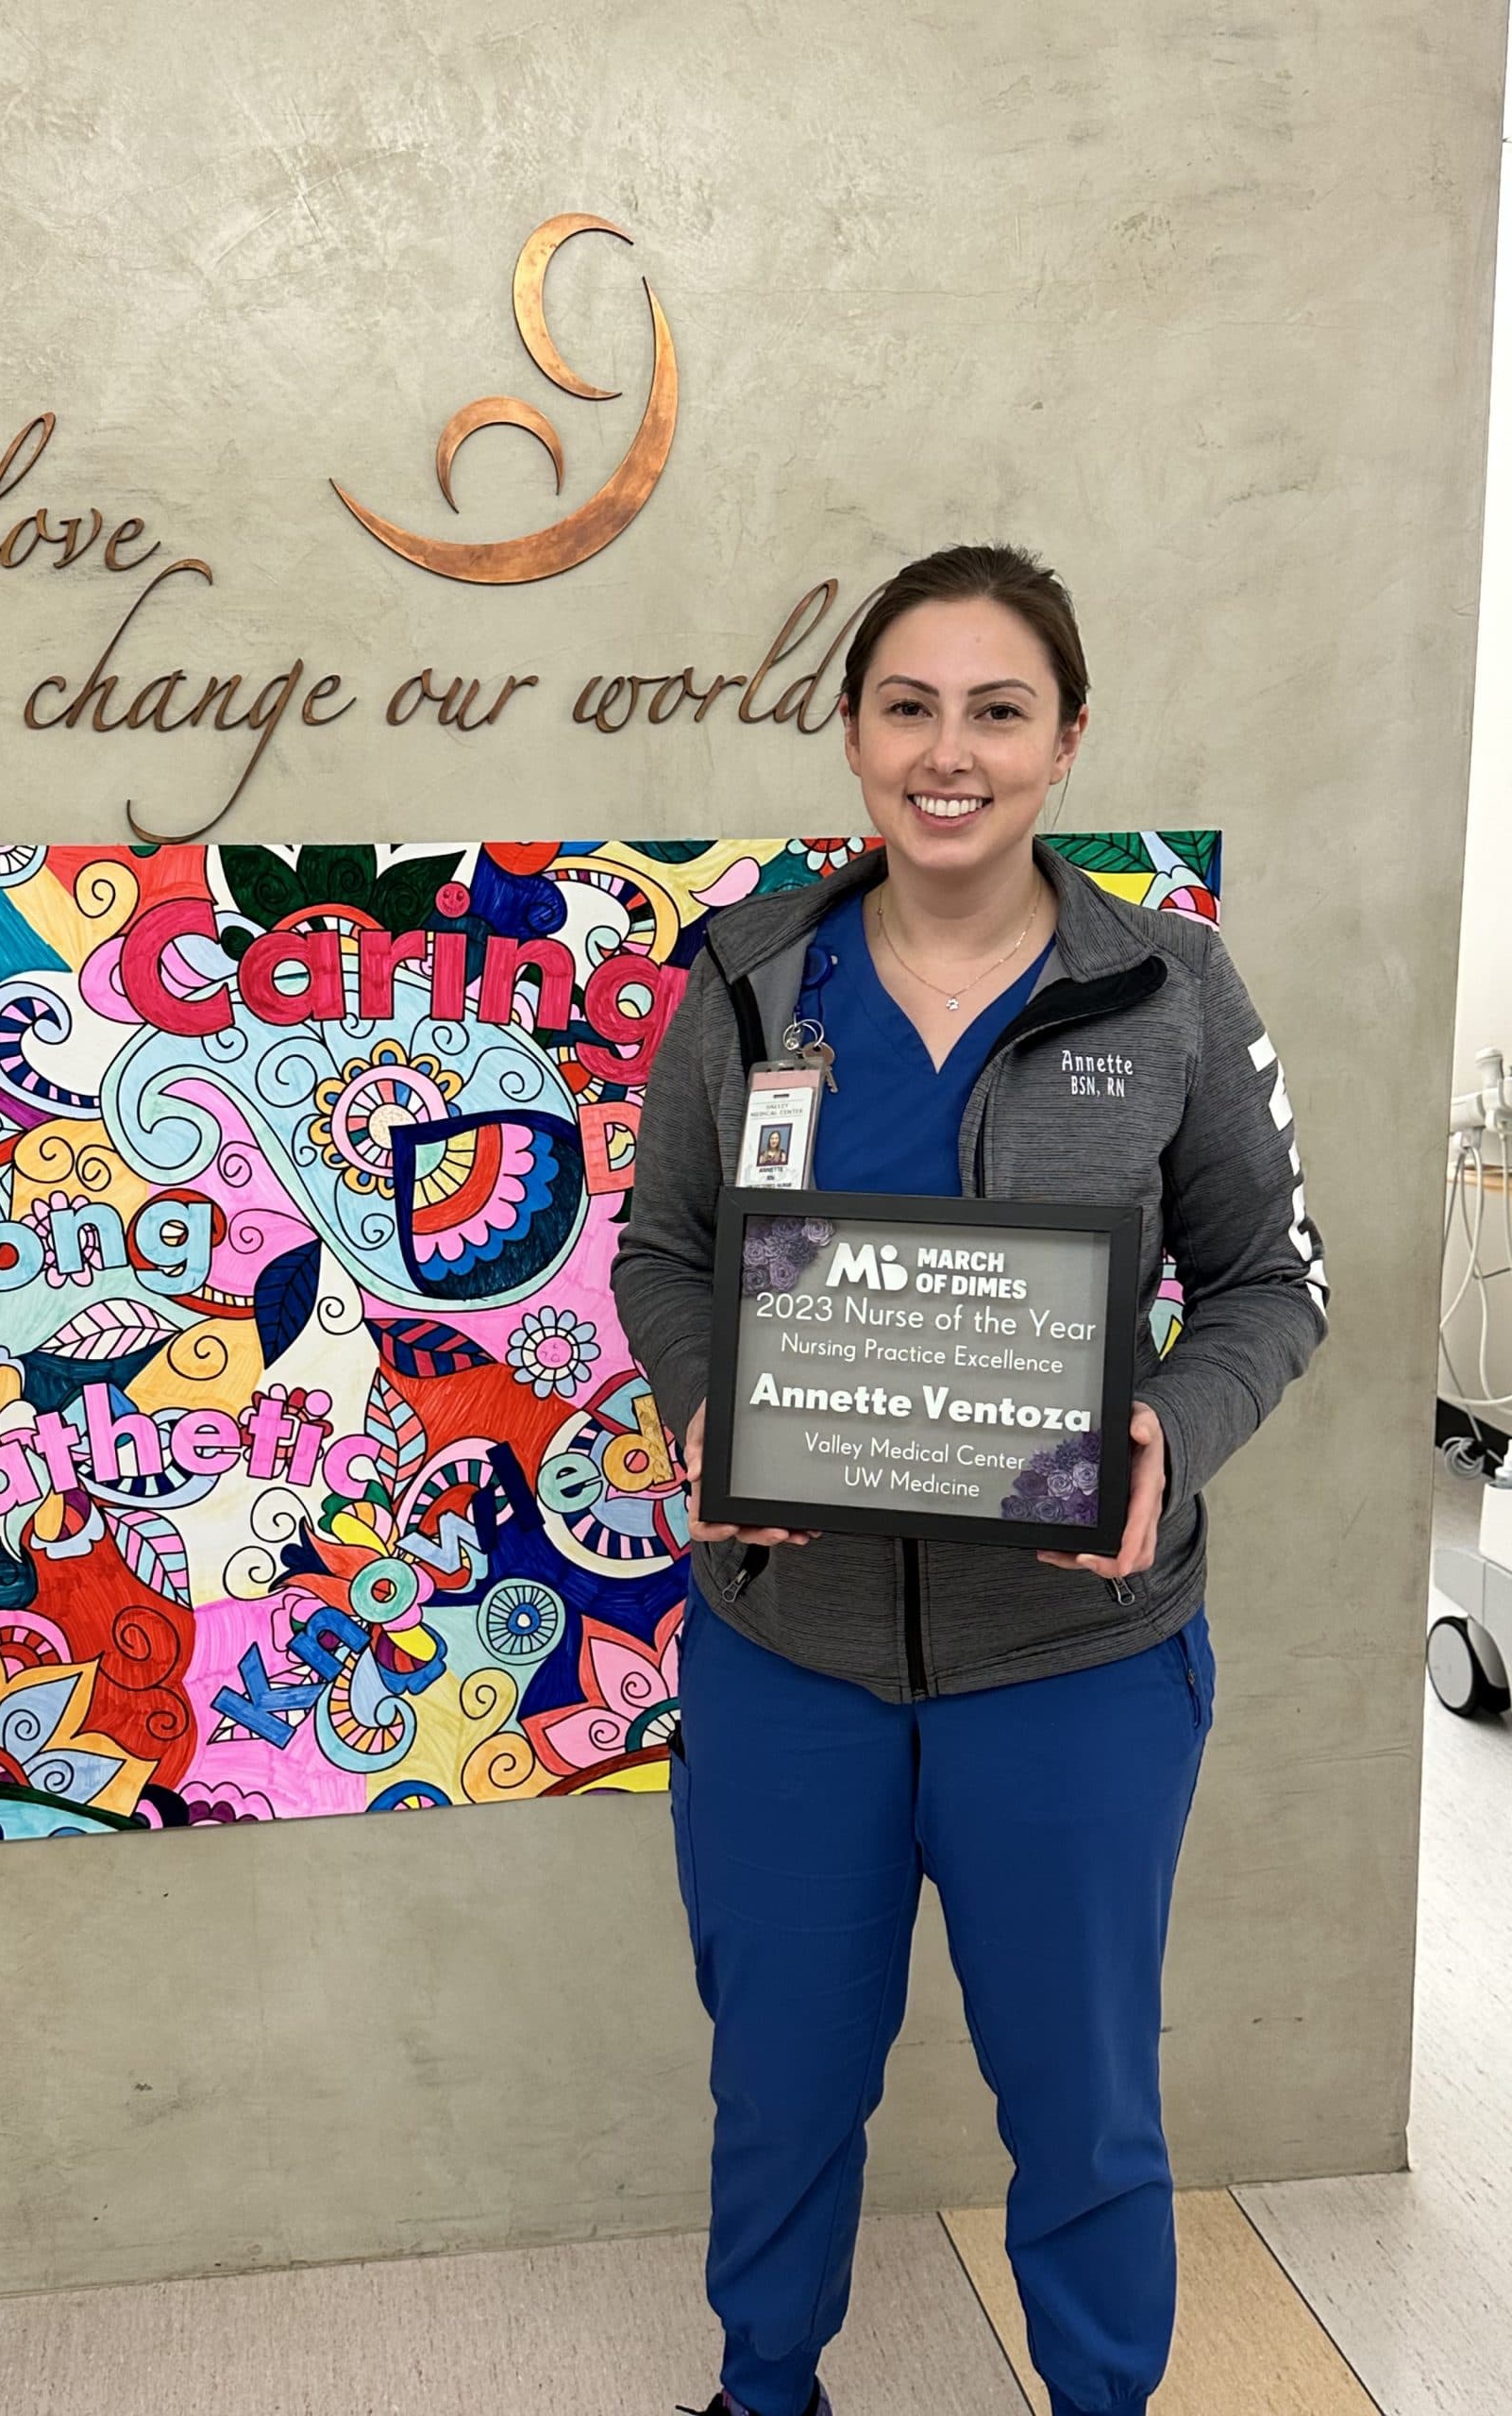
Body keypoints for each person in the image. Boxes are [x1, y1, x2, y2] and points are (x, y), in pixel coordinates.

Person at [611, 544, 1329, 2416]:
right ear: (853, 735)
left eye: (997, 710)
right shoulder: (748, 982)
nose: (951, 751)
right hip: (790, 1657)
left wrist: (1172, 1443)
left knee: (1084, 2095)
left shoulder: (1174, 986)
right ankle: (765, 2386)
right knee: (779, 2079)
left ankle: (1103, 2394)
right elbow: (662, 1250)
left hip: (1077, 1667)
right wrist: (703, 1418)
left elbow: (1272, 1281)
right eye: (908, 706)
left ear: (1065, 739)